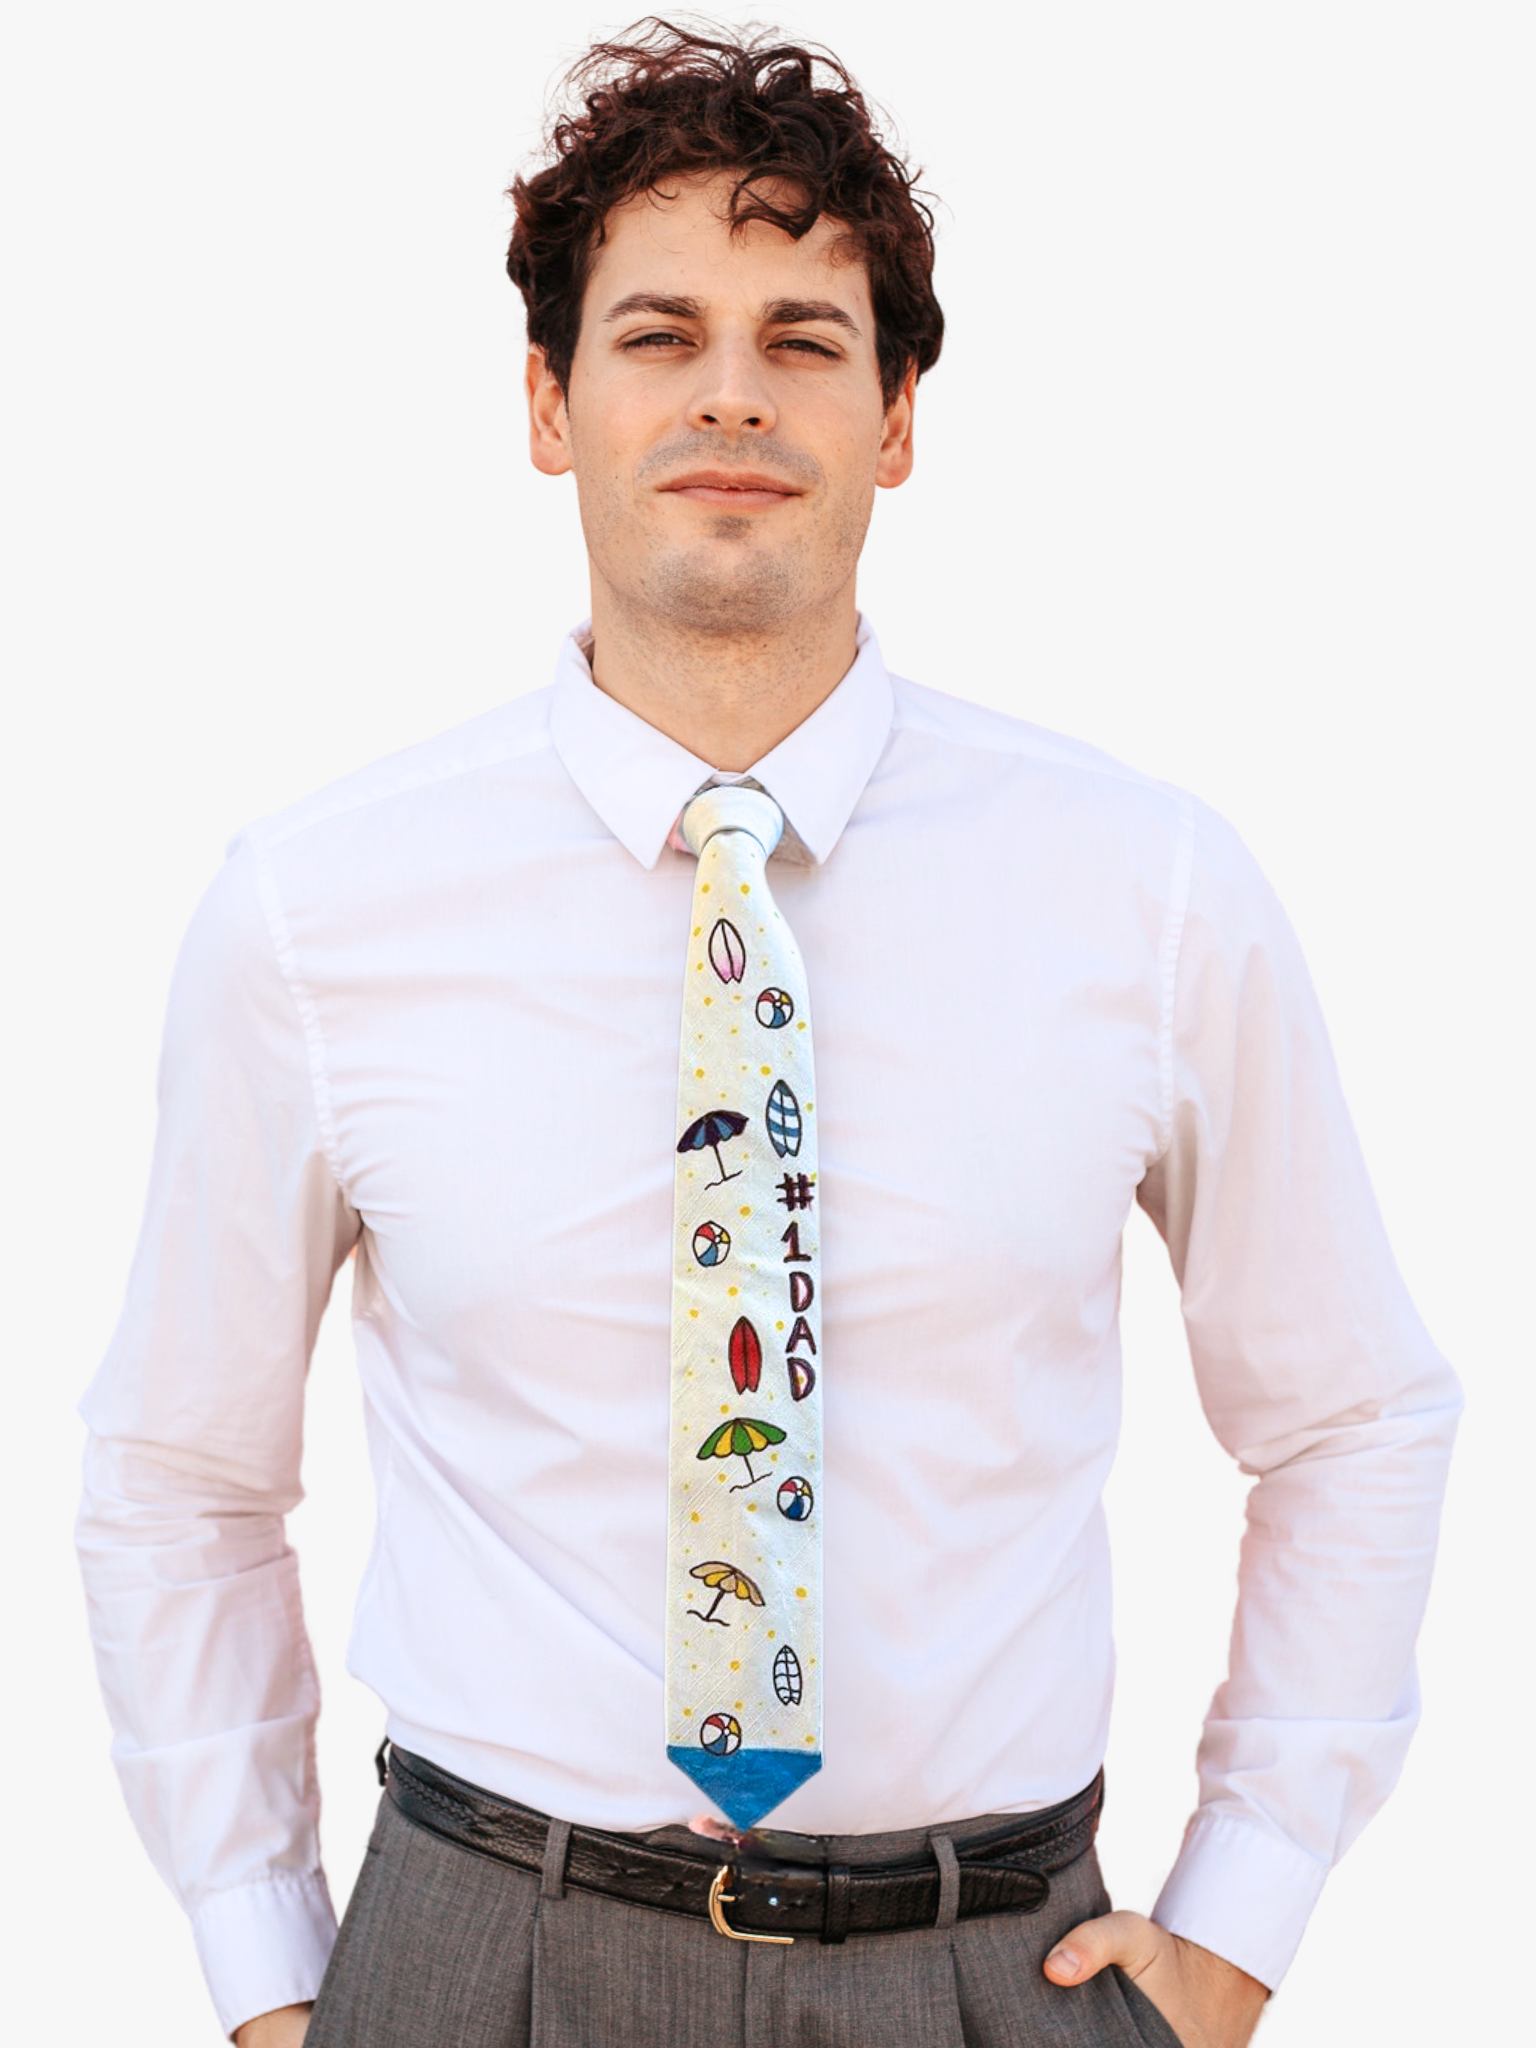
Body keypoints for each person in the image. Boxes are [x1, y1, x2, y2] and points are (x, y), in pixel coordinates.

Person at [77, 22, 1460, 2048]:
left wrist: (1241, 1919)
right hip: (489, 1958)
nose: (734, 389)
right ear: (549, 404)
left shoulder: (1148, 888)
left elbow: (1354, 1415)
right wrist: (269, 1972)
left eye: (806, 339)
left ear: (899, 418)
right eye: (660, 333)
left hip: (999, 1965)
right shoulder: (313, 908)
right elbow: (179, 1469)